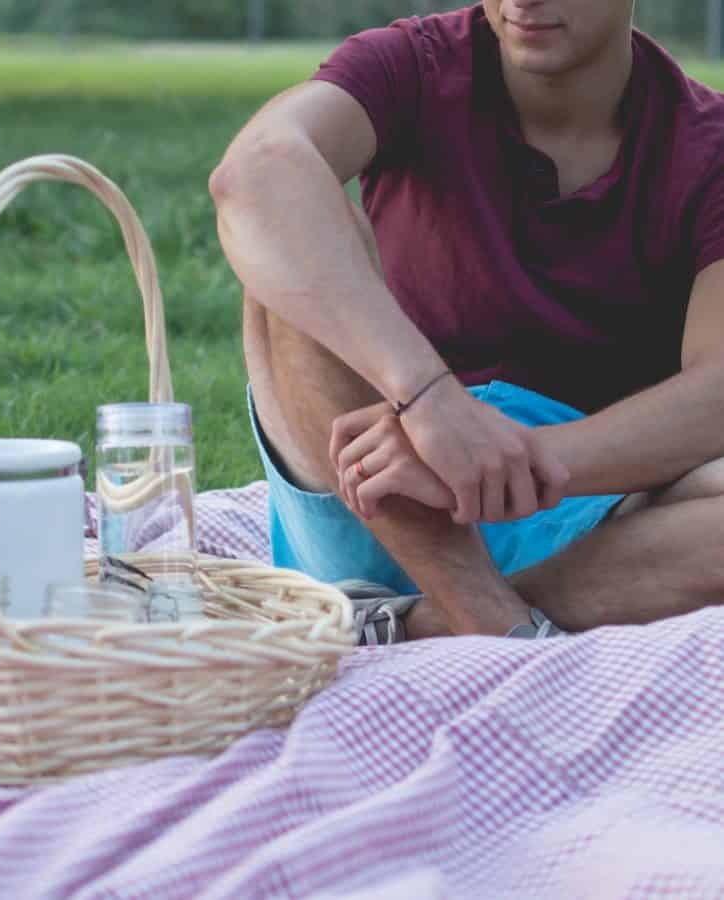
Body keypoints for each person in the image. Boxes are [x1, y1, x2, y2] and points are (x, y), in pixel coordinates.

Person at [208, 0, 724, 642]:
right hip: (371, 498)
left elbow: (717, 394)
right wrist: (427, 405)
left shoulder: (709, 146)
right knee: (293, 253)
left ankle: (418, 626)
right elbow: (255, 173)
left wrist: (502, 465)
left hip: (577, 521)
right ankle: (495, 622)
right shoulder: (413, 65)